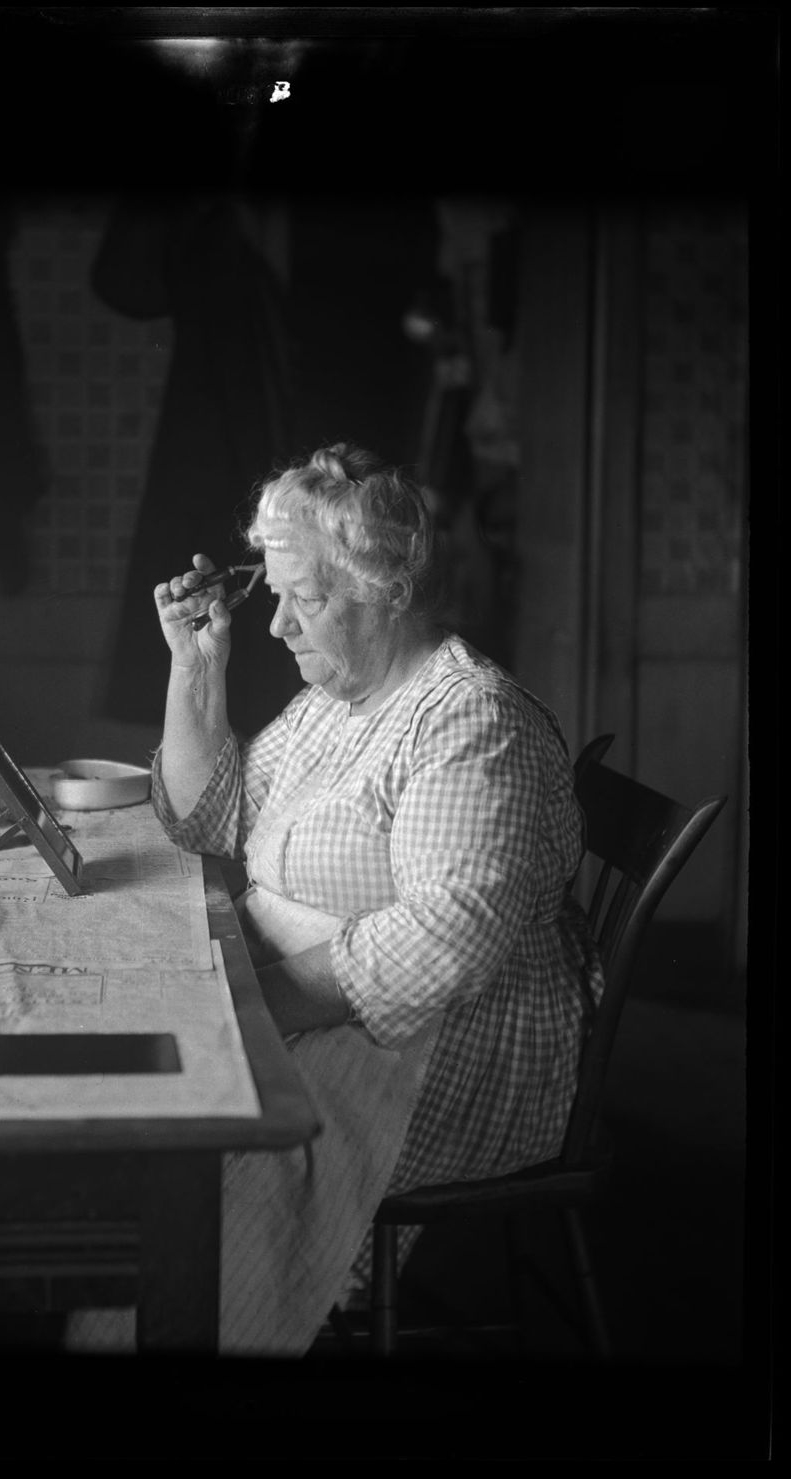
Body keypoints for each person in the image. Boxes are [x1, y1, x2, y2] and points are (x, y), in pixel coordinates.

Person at [69, 441, 603, 1357]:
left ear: (386, 586)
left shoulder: (470, 719)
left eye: (304, 598)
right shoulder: (337, 702)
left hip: (451, 1044)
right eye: (273, 592)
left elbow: (449, 937)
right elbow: (210, 818)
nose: (277, 625)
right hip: (321, 999)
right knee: (141, 1090)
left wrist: (248, 1006)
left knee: (205, 1151)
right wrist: (196, 666)